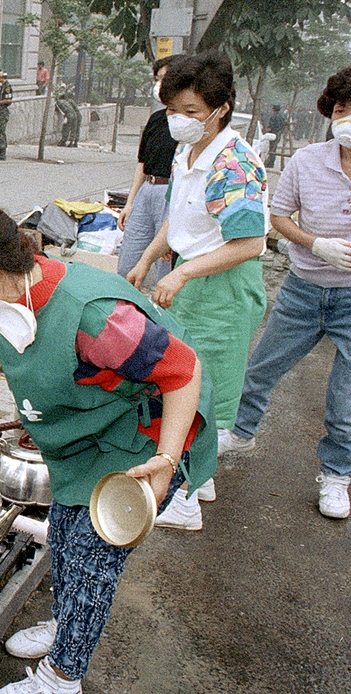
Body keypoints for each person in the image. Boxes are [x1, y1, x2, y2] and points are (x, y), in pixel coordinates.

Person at [0, 199, 215, 694]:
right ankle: (67, 625)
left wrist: (166, 458)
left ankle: (61, 678)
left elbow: (183, 371)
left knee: (95, 553)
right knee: (67, 536)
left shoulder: (96, 318)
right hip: (88, 425)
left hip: (143, 434)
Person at [127, 50, 267, 531]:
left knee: (200, 390)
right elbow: (181, 215)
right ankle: (197, 479)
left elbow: (250, 242)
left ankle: (183, 498)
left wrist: (184, 273)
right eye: (173, 110)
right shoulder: (190, 153)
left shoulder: (233, 161)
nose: (180, 120)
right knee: (185, 380)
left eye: (191, 111)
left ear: (220, 107)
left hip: (221, 285)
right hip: (192, 275)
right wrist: (147, 258)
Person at [225, 67, 351, 519]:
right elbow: (279, 218)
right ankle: (240, 431)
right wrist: (315, 243)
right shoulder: (307, 160)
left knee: (345, 398)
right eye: (341, 110)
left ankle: (337, 475)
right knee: (261, 367)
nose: (347, 118)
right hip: (302, 289)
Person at [116, 56, 186, 289]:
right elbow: (142, 163)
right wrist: (130, 202)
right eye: (157, 79)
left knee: (166, 268)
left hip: (172, 193)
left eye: (165, 79)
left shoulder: (189, 124)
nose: (160, 85)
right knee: (128, 266)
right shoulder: (156, 119)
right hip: (148, 189)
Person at [265, 103, 288, 168]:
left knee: (271, 148)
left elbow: (270, 126)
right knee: (274, 148)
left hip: (273, 134)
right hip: (278, 134)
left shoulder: (273, 116)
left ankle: (270, 163)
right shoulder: (282, 117)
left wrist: (268, 131)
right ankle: (271, 162)